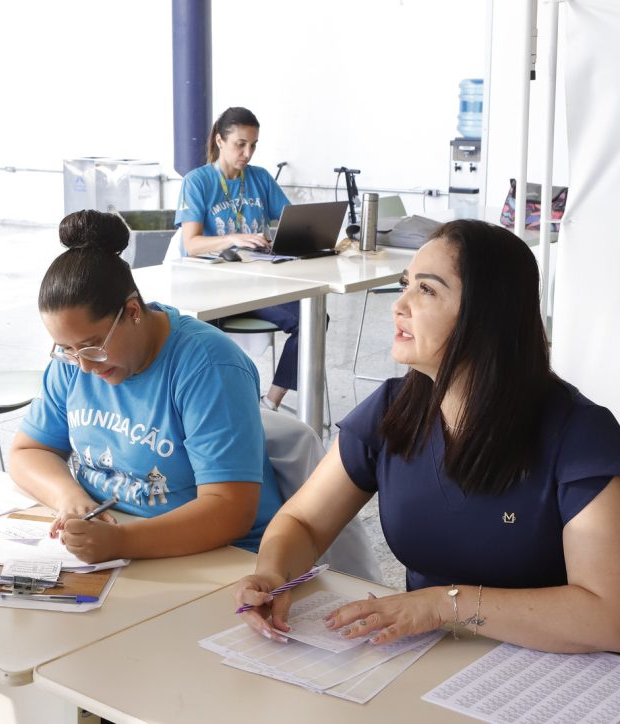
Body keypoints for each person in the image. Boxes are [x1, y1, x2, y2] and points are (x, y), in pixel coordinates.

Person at [234, 219, 620, 653]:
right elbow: (303, 521)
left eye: (427, 290)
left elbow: (607, 615)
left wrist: (443, 606)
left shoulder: (580, 434)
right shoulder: (392, 409)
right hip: (422, 658)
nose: (400, 305)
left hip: (546, 672)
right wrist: (273, 574)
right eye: (405, 284)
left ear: (488, 315)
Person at [8, 210, 283, 564]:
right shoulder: (75, 363)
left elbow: (229, 510)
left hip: (218, 556)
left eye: (92, 346)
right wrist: (70, 498)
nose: (85, 366)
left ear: (133, 310)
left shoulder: (208, 367)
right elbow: (28, 451)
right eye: (67, 350)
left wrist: (120, 542)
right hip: (115, 543)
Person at [175, 106, 301, 412]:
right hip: (214, 287)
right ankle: (214, 407)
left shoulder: (259, 178)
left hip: (258, 283)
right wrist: (233, 238)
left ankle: (270, 401)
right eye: (240, 144)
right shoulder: (197, 181)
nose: (248, 152)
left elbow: (291, 222)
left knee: (310, 319)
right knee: (204, 340)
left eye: (253, 145)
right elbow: (191, 244)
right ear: (220, 141)